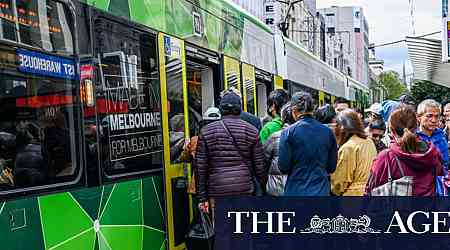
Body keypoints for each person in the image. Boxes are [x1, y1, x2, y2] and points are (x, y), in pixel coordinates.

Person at [196, 91, 267, 216]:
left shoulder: (206, 132)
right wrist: (261, 189)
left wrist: (202, 198)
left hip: (217, 192)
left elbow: (201, 168)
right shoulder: (252, 131)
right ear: (240, 109)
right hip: (244, 190)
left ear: (220, 109)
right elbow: (260, 168)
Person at [366, 106, 444, 196]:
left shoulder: (386, 157)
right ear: (416, 127)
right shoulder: (432, 152)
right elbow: (440, 173)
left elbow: (370, 189)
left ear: (391, 130)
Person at [279, 92, 337, 196]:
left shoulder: (288, 133)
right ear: (313, 109)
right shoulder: (327, 132)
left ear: (294, 111)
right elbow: (331, 167)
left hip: (295, 192)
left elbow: (283, 167)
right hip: (321, 192)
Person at [331, 110, 377, 196]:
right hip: (370, 193)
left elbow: (340, 183)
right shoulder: (369, 142)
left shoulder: (348, 147)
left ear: (341, 128)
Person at [416, 99, 449, 196]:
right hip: (419, 190)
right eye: (429, 116)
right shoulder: (413, 138)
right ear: (419, 117)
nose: (434, 120)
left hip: (441, 189)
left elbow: (446, 163)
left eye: (437, 116)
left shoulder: (441, 136)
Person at [263, 102, 295, 196]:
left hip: (276, 190)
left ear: (282, 118)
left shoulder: (274, 137)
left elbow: (263, 162)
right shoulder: (305, 137)